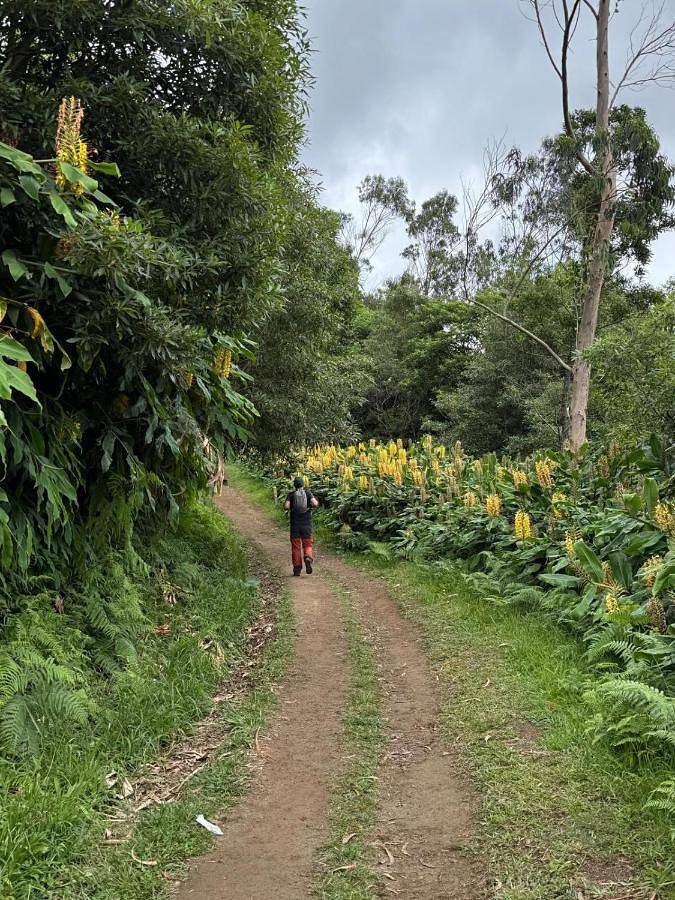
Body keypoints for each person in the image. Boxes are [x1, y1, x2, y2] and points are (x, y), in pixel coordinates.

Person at [284, 476, 319, 576]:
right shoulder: (308, 493)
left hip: (295, 524)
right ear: (303, 484)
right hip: (306, 524)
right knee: (307, 544)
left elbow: (286, 506)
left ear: (294, 485)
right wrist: (310, 507)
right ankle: (308, 558)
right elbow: (315, 503)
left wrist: (291, 507)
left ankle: (297, 569)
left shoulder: (291, 494)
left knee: (296, 547)